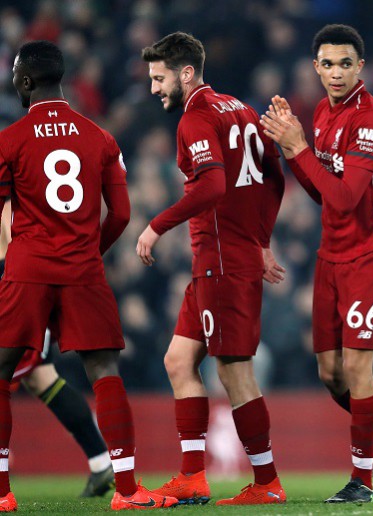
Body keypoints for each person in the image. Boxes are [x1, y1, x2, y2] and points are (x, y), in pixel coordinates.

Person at [0, 40, 178, 511]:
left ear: (23, 81)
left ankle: (1, 495)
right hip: (83, 269)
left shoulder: (9, 139)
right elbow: (120, 214)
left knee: (1, 371)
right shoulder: (100, 138)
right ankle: (126, 489)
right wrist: (88, 253)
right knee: (104, 373)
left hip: (27, 269)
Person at [260, 24, 373, 503]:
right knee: (330, 374)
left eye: (346, 63)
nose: (336, 73)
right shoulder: (324, 112)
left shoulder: (372, 119)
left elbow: (345, 198)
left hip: (372, 254)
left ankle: (361, 482)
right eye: (327, 64)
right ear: (315, 67)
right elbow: (321, 193)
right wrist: (293, 150)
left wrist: (299, 147)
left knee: (358, 368)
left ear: (360, 67)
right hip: (332, 255)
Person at [138, 32, 286, 506]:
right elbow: (274, 175)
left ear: (186, 73)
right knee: (178, 361)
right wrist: (261, 239)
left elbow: (213, 186)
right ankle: (192, 477)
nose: (155, 88)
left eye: (160, 78)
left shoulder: (196, 117)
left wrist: (156, 225)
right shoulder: (239, 108)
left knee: (235, 372)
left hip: (221, 260)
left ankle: (267, 483)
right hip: (221, 259)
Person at [0, 201, 115, 498]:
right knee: (40, 377)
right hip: (28, 271)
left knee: (28, 373)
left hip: (16, 275)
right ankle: (102, 461)